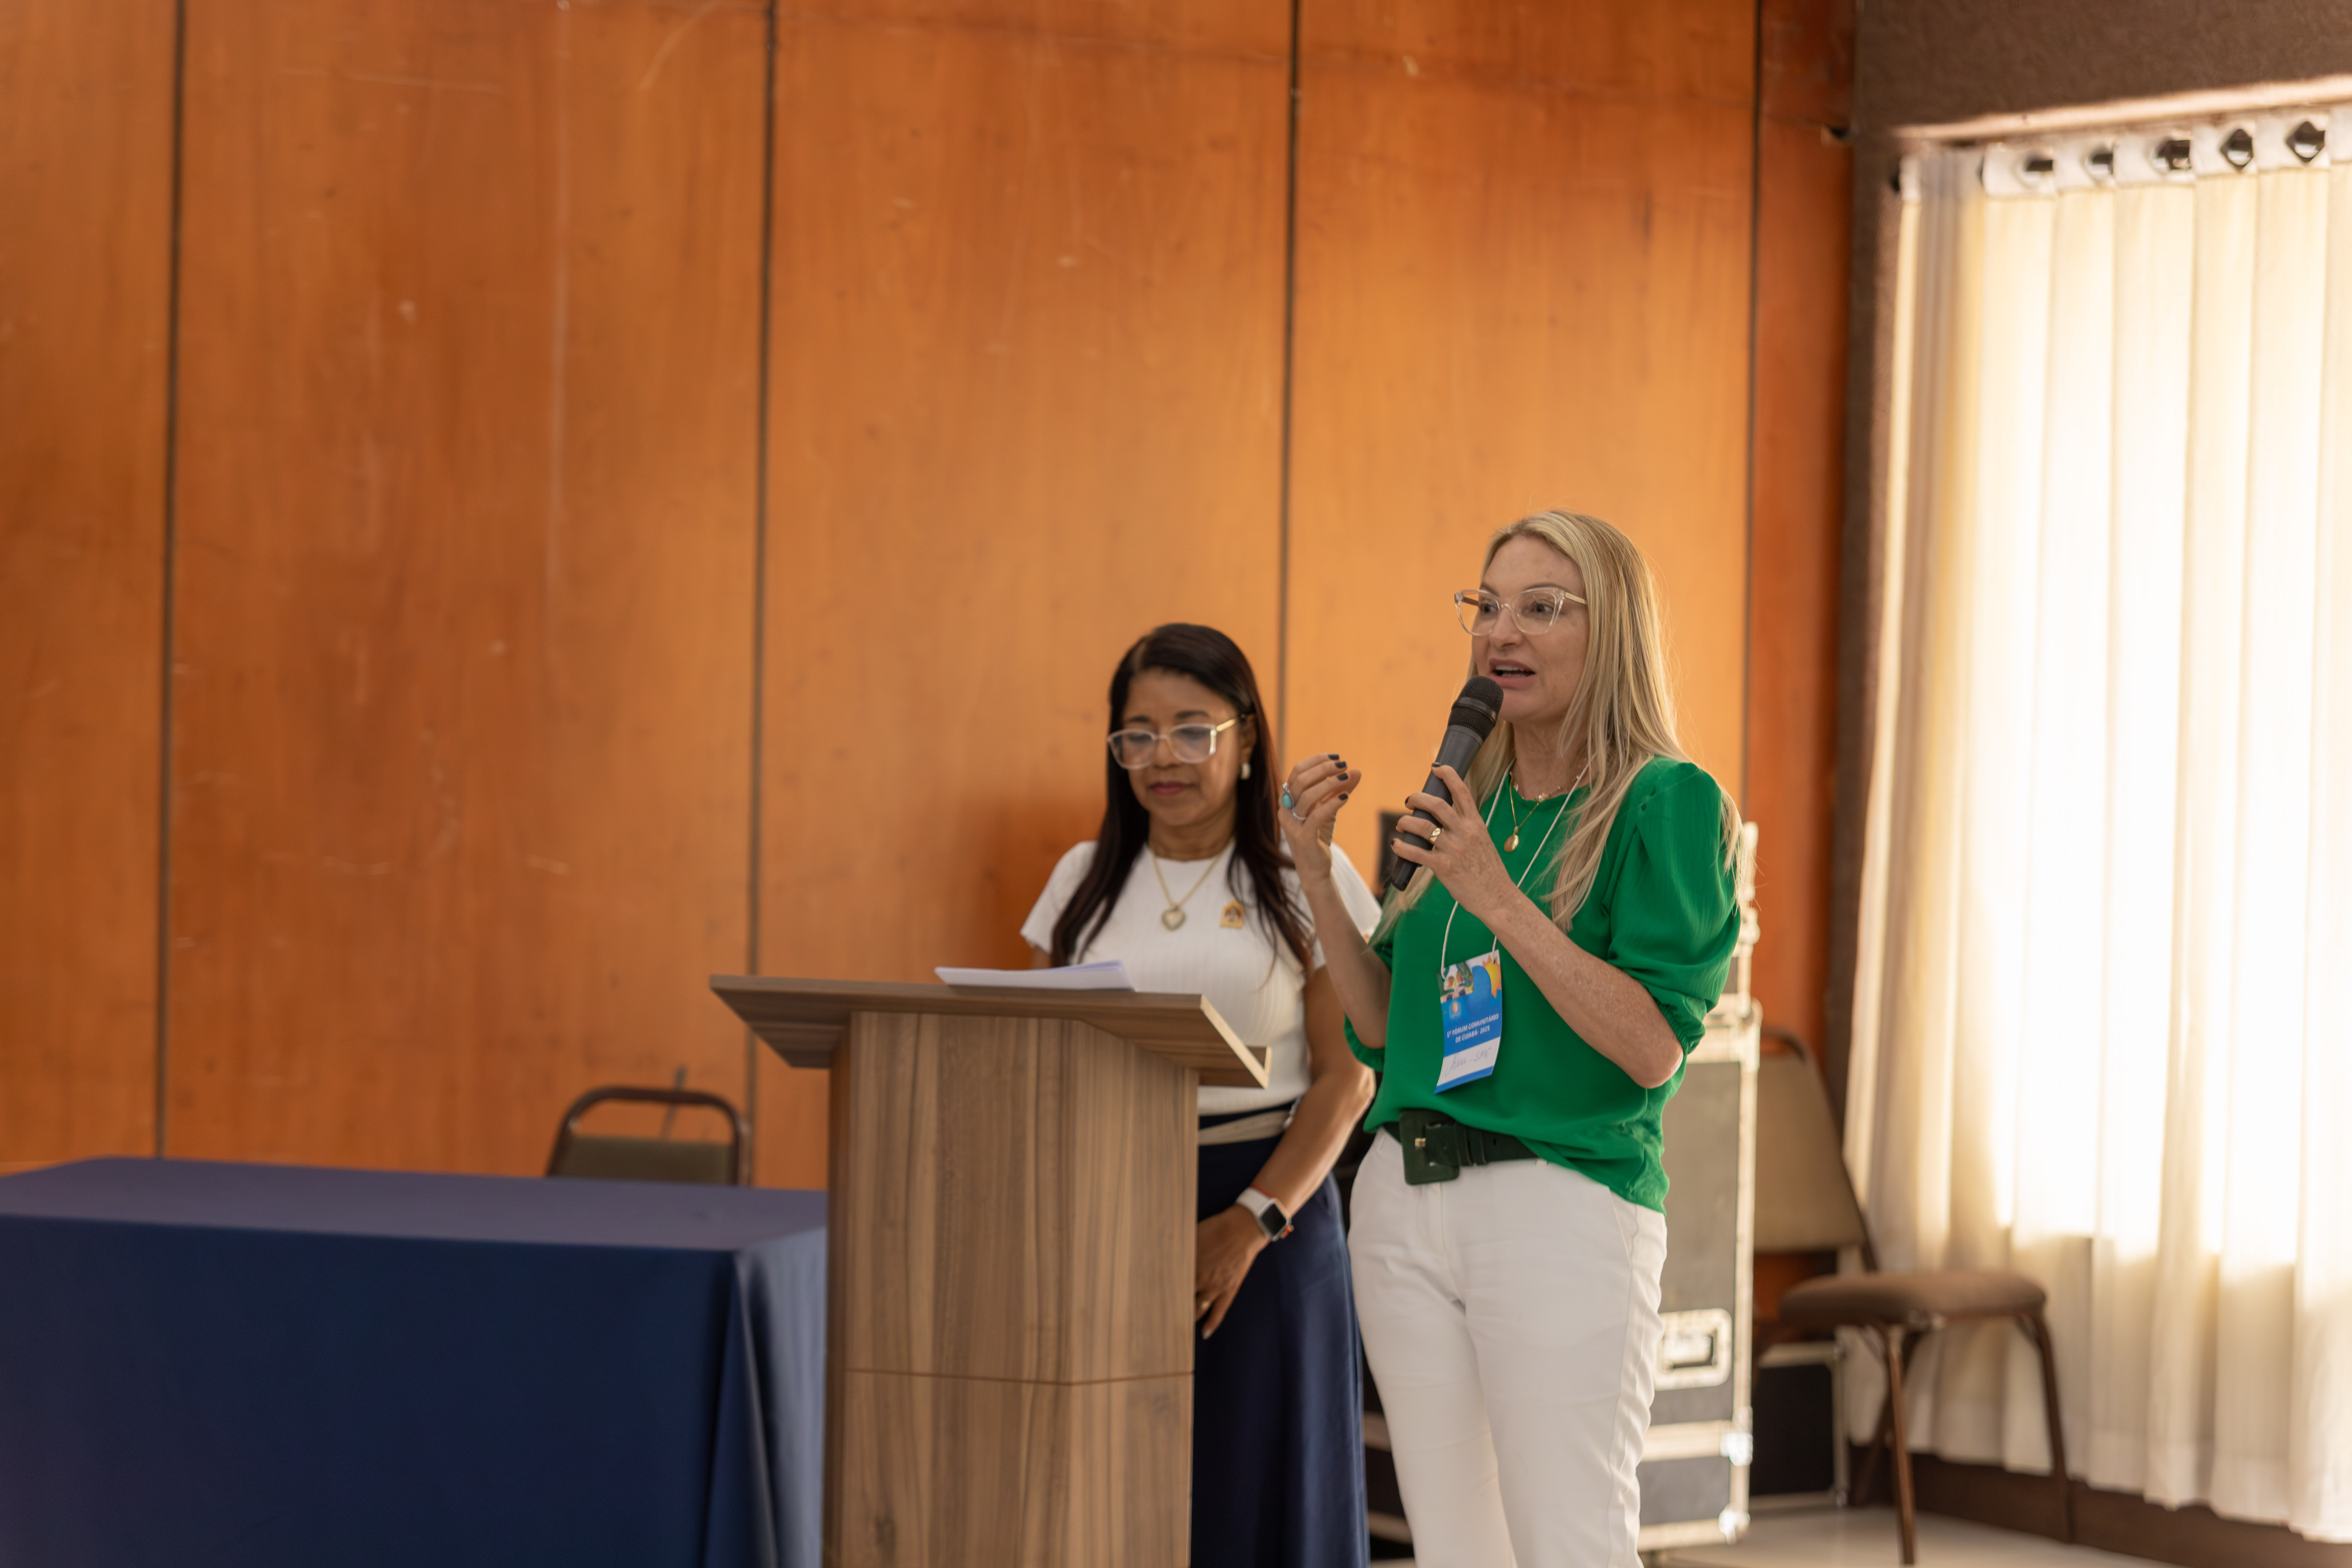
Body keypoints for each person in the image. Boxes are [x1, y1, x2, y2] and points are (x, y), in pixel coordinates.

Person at [1281, 511, 1741, 1568]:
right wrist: (1317, 877)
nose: (1502, 633)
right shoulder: (1466, 803)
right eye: (1486, 607)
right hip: (1403, 1202)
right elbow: (1382, 1028)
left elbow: (1653, 1047)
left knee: (1570, 1545)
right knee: (1454, 1548)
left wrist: (1495, 895)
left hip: (1560, 1205)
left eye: (1541, 608)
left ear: (1611, 630)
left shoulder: (1662, 802)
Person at [1021, 623, 1384, 1568]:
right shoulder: (1080, 880)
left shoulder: (1306, 877)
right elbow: (1040, 1064)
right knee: (1119, 1499)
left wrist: (1248, 1224)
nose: (1162, 758)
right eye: (1137, 736)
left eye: (1192, 730)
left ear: (1246, 736)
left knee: (1260, 1498)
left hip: (1271, 1212)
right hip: (1111, 1213)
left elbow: (1348, 1077)